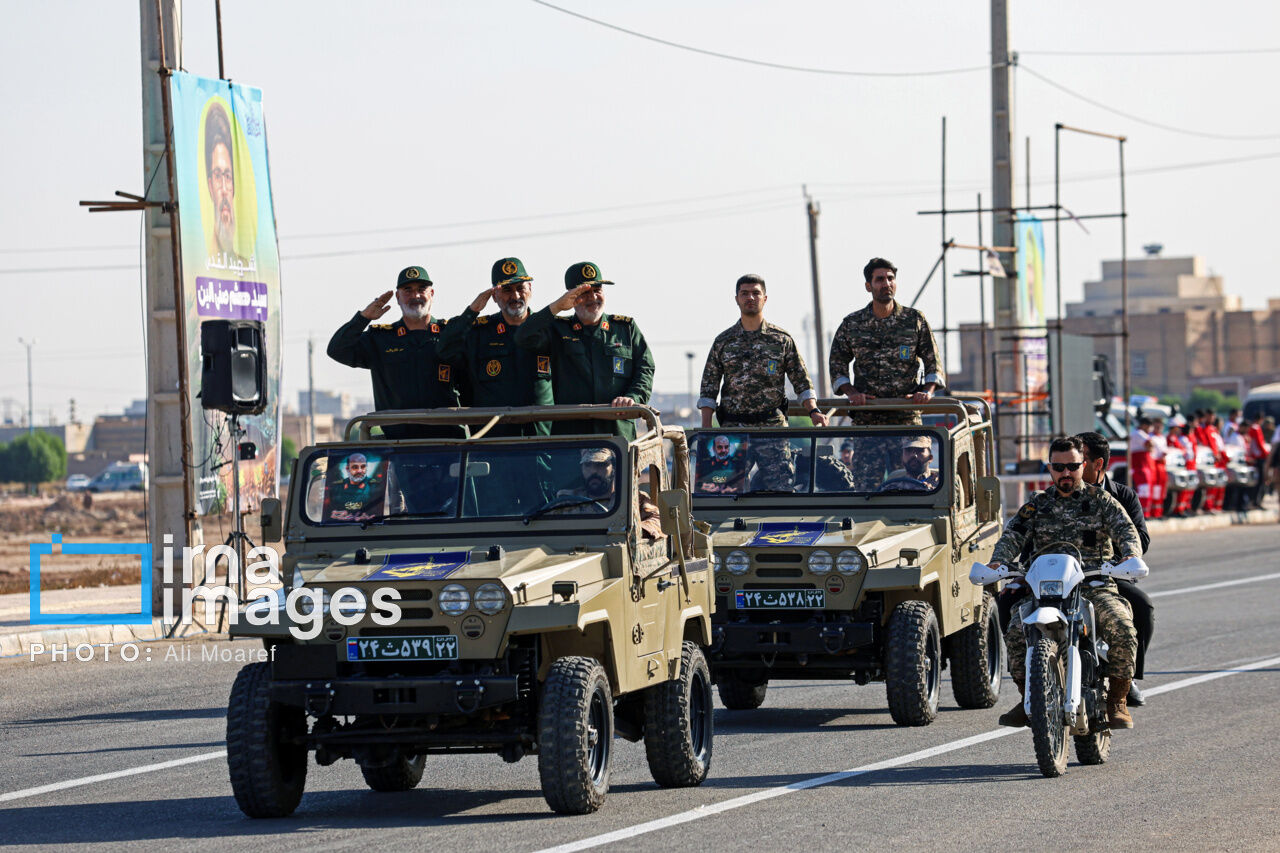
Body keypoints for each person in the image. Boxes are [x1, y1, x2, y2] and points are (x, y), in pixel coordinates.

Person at [989, 435, 1142, 730]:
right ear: (1050, 469)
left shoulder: (1102, 502)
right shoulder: (1037, 506)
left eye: (1072, 466)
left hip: (1092, 587)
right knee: (1015, 633)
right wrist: (998, 562)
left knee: (1123, 629)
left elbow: (1126, 530)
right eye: (1059, 467)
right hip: (1046, 591)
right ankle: (1028, 697)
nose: (1066, 473)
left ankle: (1117, 701)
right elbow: (1012, 535)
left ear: (1083, 466)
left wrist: (1130, 555)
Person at [697, 274, 828, 490]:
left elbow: (802, 381)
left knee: (781, 491)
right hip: (733, 432)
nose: (750, 297)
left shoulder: (780, 339)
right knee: (720, 489)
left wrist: (813, 411)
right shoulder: (724, 342)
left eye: (756, 293)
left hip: (772, 430)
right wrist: (706, 431)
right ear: (737, 299)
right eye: (745, 293)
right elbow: (708, 389)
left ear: (765, 298)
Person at [828, 257, 943, 488]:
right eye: (879, 279)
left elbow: (933, 362)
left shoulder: (914, 320)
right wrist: (851, 392)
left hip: (906, 418)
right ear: (868, 286)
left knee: (913, 484)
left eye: (891, 278)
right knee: (866, 487)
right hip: (869, 420)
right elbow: (837, 362)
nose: (886, 283)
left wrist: (927, 392)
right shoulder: (852, 324)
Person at [514, 262, 654, 440]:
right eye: (584, 292)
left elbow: (645, 369)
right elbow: (522, 337)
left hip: (617, 433)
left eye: (597, 290)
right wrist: (556, 306)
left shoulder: (625, 328)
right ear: (571, 297)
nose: (593, 297)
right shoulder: (558, 330)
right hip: (573, 436)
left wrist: (632, 398)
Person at [327, 266, 463, 439]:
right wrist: (363, 318)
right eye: (408, 290)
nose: (415, 296)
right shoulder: (381, 339)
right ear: (398, 297)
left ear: (432, 294)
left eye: (422, 289)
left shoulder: (449, 334)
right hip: (398, 446)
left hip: (447, 441)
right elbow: (337, 349)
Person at [1077, 431, 1154, 707]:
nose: (1072, 466)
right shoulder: (1055, 496)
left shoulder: (1122, 496)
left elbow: (1140, 538)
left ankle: (1127, 675)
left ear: (1098, 463)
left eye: (1080, 459)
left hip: (1106, 576)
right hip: (1060, 578)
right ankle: (1030, 681)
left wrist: (1120, 558)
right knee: (1010, 603)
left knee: (1142, 609)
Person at [436, 257, 553, 435]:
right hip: (494, 443)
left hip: (541, 440)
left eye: (520, 288)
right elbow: (445, 350)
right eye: (507, 290)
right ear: (495, 296)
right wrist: (472, 311)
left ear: (530, 288)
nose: (515, 296)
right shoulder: (479, 332)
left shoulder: (550, 328)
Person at [553, 448, 663, 539]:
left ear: (613, 468)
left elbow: (658, 520)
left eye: (601, 465)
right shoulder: (568, 501)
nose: (593, 471)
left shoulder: (633, 499)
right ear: (581, 468)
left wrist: (634, 532)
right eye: (587, 465)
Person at [203, 102, 248, 269]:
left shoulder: (244, 266)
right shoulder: (201, 265)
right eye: (217, 176)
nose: (223, 190)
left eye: (228, 177)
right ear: (210, 186)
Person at [322, 453, 386, 521]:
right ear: (347, 468)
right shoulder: (337, 487)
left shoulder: (375, 487)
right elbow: (330, 514)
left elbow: (378, 514)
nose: (359, 471)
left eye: (363, 467)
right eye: (355, 467)